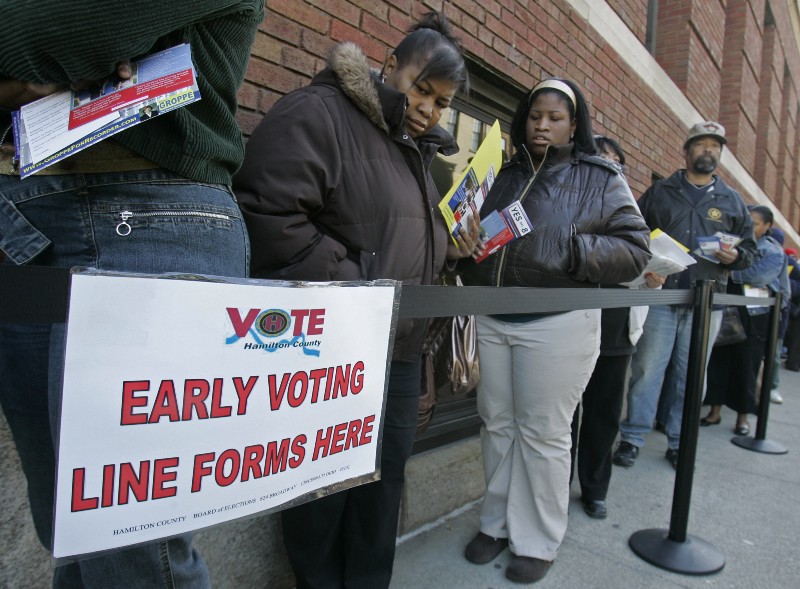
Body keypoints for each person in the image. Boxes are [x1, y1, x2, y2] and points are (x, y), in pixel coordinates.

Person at [0, 2, 263, 587]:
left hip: (150, 212)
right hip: (22, 220)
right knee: (68, 533)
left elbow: (62, 28)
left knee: (135, 554)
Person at [233, 12, 478, 588]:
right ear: (390, 65)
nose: (428, 109)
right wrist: (357, 288)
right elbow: (266, 215)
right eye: (422, 89)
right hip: (332, 349)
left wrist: (453, 250)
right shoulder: (318, 113)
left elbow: (403, 243)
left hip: (398, 353)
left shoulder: (419, 155)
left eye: (441, 103)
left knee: (382, 485)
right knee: (322, 489)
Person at [457, 78, 651, 584]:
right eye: (535, 115)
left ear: (574, 124)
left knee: (543, 433)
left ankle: (539, 538)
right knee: (497, 424)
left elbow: (636, 250)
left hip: (557, 323)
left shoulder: (600, 176)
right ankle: (495, 524)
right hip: (492, 317)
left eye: (555, 117)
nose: (542, 124)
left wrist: (572, 251)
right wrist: (465, 240)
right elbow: (477, 234)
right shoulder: (501, 169)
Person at [613, 121, 757, 470]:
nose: (708, 151)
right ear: (687, 149)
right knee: (647, 370)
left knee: (691, 374)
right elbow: (636, 235)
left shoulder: (733, 201)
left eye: (715, 146)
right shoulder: (661, 191)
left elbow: (750, 253)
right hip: (663, 298)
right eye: (701, 144)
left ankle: (679, 441)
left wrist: (735, 257)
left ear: (719, 154)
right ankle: (633, 437)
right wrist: (645, 264)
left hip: (707, 304)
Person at [569, 135, 656, 521]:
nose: (608, 166)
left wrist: (652, 278)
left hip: (614, 329)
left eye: (615, 162)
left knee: (603, 414)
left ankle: (594, 489)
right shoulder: (569, 203)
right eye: (600, 158)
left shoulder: (631, 213)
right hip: (569, 324)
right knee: (564, 415)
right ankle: (555, 486)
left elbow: (641, 260)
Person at [701, 206, 784, 433]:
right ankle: (714, 411)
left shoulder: (772, 250)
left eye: (756, 223)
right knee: (719, 361)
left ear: (767, 226)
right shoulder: (733, 243)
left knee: (746, 366)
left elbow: (759, 276)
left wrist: (730, 267)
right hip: (725, 308)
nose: (750, 226)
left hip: (754, 316)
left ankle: (743, 417)